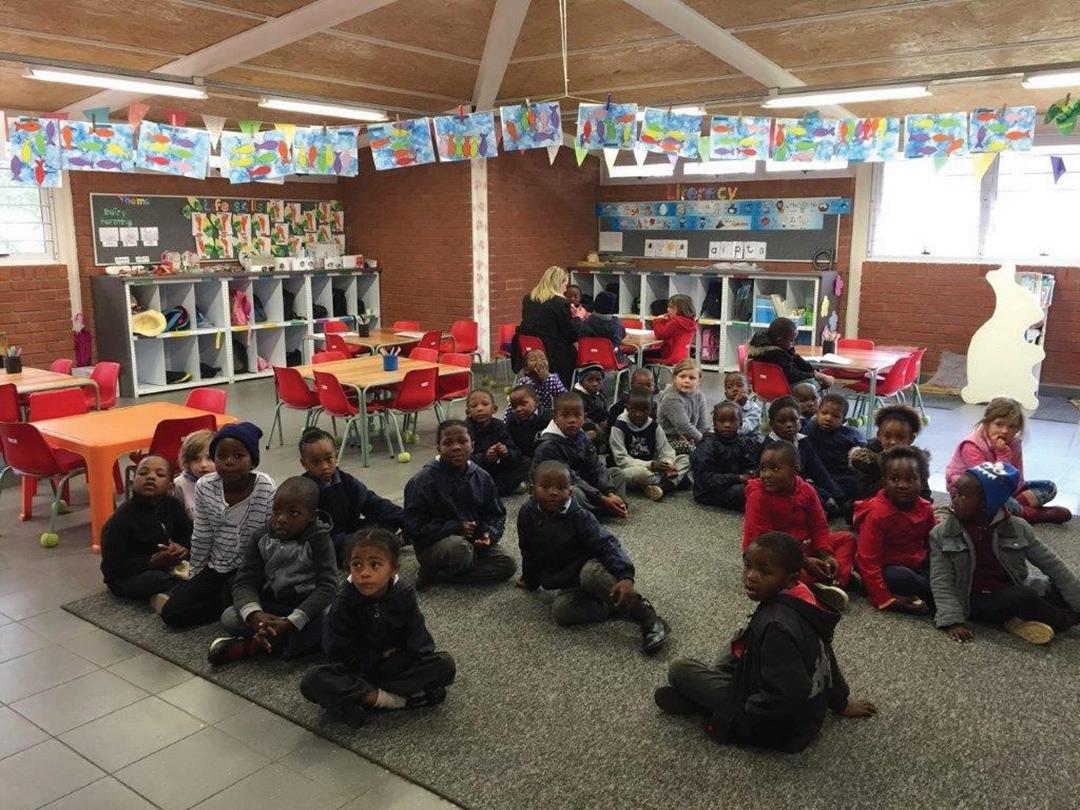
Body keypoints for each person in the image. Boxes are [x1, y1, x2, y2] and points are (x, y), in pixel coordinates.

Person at [654, 531, 876, 752]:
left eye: (764, 571)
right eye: (747, 566)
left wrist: (738, 714)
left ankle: (701, 702)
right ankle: (704, 696)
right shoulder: (803, 598)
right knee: (743, 635)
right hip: (794, 693)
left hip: (779, 726)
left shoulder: (775, 628)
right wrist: (841, 701)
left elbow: (788, 694)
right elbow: (825, 653)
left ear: (791, 578)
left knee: (679, 669)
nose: (751, 576)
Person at [300, 529, 456, 725]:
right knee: (312, 679)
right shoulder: (343, 601)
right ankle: (395, 700)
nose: (364, 573)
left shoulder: (403, 594)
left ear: (393, 569)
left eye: (375, 565)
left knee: (444, 664)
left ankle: (360, 702)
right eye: (357, 565)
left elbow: (420, 643)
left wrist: (399, 659)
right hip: (357, 670)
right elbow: (337, 652)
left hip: (394, 666)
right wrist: (377, 657)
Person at [517, 461, 669, 653]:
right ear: (532, 490)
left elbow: (607, 543)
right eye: (545, 487)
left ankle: (648, 617)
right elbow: (528, 549)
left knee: (591, 574)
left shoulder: (580, 516)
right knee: (561, 612)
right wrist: (530, 580)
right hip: (567, 580)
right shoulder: (527, 514)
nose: (553, 493)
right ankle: (612, 605)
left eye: (561, 488)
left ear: (570, 492)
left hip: (589, 567)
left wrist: (625, 576)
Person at [930, 462, 1080, 645]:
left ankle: (1015, 621)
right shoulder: (943, 533)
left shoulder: (1017, 527)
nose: (954, 498)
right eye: (955, 493)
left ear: (986, 504)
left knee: (1054, 587)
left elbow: (1052, 564)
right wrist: (953, 621)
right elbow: (941, 579)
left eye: (963, 495)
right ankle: (1064, 621)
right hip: (973, 599)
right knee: (1023, 597)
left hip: (1009, 587)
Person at [208, 477, 338, 663]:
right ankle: (281, 642)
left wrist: (292, 621)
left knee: (332, 616)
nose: (281, 519)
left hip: (306, 608)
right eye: (276, 512)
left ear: (312, 516)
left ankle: (256, 645)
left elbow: (328, 587)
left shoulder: (319, 540)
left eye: (293, 513)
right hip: (271, 605)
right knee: (229, 617)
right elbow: (245, 581)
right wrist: (255, 616)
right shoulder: (261, 536)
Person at [159, 423, 276, 628]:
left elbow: (271, 540)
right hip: (217, 566)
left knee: (235, 593)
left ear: (253, 461)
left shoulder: (265, 486)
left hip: (252, 570)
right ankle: (226, 606)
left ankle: (232, 604)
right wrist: (195, 577)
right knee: (172, 613)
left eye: (238, 456)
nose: (229, 462)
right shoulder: (205, 486)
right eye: (221, 456)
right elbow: (202, 535)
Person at [403, 419, 517, 589]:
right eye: (448, 443)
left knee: (507, 564)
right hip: (436, 545)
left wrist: (488, 534)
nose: (456, 447)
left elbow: (496, 514)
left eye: (463, 441)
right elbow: (413, 529)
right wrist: (454, 527)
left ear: (472, 446)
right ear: (438, 448)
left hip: (471, 541)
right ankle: (440, 565)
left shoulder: (482, 477)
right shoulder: (422, 482)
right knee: (460, 550)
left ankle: (440, 576)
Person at [743, 440, 855, 610]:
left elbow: (819, 525)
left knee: (847, 539)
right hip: (769, 554)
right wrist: (804, 561)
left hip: (802, 547)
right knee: (785, 576)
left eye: (775, 469)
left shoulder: (807, 490)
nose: (766, 475)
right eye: (763, 468)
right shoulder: (758, 496)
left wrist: (825, 554)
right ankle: (819, 583)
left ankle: (835, 583)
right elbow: (764, 540)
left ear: (795, 470)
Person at [945, 397, 1070, 524]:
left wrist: (1010, 491)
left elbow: (1017, 475)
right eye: (999, 424)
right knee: (994, 500)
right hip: (973, 493)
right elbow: (989, 482)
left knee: (1049, 487)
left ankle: (1012, 508)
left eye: (1012, 426)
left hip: (1002, 486)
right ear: (987, 423)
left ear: (1018, 429)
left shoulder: (1014, 442)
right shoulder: (971, 445)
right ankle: (1034, 514)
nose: (1005, 431)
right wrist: (1002, 454)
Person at [853, 446, 935, 614]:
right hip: (887, 566)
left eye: (911, 479)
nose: (902, 485)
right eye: (894, 479)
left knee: (942, 563)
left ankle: (930, 591)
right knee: (901, 577)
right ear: (884, 483)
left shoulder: (926, 508)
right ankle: (932, 593)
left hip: (916, 561)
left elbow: (933, 543)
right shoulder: (877, 514)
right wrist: (885, 599)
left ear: (922, 481)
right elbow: (868, 561)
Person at [298, 427, 403, 558]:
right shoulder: (302, 491)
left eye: (329, 459)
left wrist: (405, 518)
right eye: (315, 462)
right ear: (304, 463)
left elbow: (371, 502)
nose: (324, 466)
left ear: (336, 456)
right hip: (327, 542)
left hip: (351, 531)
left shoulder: (346, 480)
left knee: (386, 521)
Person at [100, 455, 191, 601]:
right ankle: (172, 593)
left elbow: (188, 535)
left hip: (167, 565)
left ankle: (173, 592)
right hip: (131, 574)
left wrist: (182, 549)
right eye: (143, 473)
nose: (150, 477)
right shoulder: (121, 519)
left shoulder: (172, 504)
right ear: (132, 483)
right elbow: (111, 569)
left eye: (159, 475)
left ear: (170, 486)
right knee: (156, 579)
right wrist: (152, 561)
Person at [533, 392, 628, 518]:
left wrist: (609, 492)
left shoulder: (582, 436)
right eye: (565, 416)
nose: (572, 420)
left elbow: (595, 467)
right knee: (574, 493)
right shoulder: (548, 445)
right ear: (554, 418)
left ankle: (612, 504)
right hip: (560, 485)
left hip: (583, 480)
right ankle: (599, 510)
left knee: (617, 473)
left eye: (577, 415)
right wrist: (601, 498)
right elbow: (571, 478)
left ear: (584, 417)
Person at [609, 386, 690, 501]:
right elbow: (621, 460)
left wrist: (668, 464)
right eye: (634, 409)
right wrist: (650, 465)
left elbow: (666, 450)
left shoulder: (654, 426)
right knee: (639, 473)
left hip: (654, 468)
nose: (638, 414)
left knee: (685, 459)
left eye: (644, 410)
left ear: (651, 409)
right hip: (630, 469)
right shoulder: (618, 427)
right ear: (627, 407)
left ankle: (659, 487)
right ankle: (670, 483)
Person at [767, 396, 845, 513]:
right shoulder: (769, 446)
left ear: (800, 420)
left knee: (841, 493)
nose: (789, 425)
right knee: (814, 499)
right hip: (780, 487)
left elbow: (817, 469)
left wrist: (836, 493)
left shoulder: (802, 441)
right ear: (772, 424)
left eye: (794, 420)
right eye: (782, 421)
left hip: (804, 483)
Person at [849, 405, 932, 502]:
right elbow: (862, 492)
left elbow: (925, 493)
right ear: (879, 435)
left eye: (901, 437)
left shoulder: (916, 461)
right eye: (887, 437)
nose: (893, 442)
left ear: (911, 438)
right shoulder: (865, 460)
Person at [691, 402, 762, 510]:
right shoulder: (707, 445)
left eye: (732, 421)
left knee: (761, 486)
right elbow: (704, 479)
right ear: (715, 424)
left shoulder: (745, 443)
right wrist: (736, 478)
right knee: (745, 491)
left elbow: (752, 464)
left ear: (740, 423)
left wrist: (751, 473)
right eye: (722, 421)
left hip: (736, 483)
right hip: (709, 491)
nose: (727, 425)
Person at [517, 265, 579, 387]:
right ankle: (566, 389)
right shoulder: (560, 303)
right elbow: (570, 334)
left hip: (529, 350)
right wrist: (577, 319)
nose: (565, 289)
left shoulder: (528, 299)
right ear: (558, 283)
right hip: (553, 353)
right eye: (565, 284)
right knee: (574, 350)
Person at [802, 392, 865, 506]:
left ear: (843, 421)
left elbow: (861, 455)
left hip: (841, 477)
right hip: (818, 477)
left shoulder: (850, 435)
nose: (828, 418)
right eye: (824, 413)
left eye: (836, 416)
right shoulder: (809, 429)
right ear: (817, 412)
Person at [466, 389, 528, 496]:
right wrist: (485, 457)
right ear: (468, 412)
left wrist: (506, 452)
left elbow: (515, 452)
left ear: (494, 409)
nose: (480, 408)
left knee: (526, 462)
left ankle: (493, 489)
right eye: (474, 406)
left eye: (485, 404)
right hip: (477, 471)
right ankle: (498, 489)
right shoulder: (464, 429)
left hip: (497, 471)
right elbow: (463, 460)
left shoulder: (500, 426)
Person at [747, 317, 835, 389]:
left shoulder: (766, 345)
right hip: (781, 386)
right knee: (814, 385)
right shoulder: (775, 354)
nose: (793, 343)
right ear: (780, 340)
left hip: (764, 386)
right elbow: (792, 375)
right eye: (791, 340)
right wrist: (816, 376)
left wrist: (814, 371)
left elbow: (795, 359)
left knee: (817, 379)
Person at [657, 358, 709, 455]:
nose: (687, 381)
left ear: (698, 381)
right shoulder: (671, 398)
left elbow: (703, 426)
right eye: (682, 376)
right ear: (674, 378)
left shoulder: (700, 396)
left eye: (692, 378)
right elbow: (685, 427)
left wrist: (706, 440)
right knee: (703, 452)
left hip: (690, 438)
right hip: (669, 441)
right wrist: (705, 443)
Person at [505, 349, 567, 420]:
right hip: (527, 417)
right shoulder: (524, 382)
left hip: (547, 417)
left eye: (543, 358)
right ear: (526, 370)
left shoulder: (553, 378)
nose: (539, 362)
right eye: (533, 360)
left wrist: (547, 378)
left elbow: (563, 396)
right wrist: (506, 421)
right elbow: (512, 405)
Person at [644, 294, 697, 367]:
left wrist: (658, 320)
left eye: (671, 307)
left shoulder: (676, 321)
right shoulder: (690, 321)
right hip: (681, 356)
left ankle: (645, 374)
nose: (668, 310)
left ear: (680, 309)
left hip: (670, 355)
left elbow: (660, 335)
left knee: (641, 355)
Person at [173, 429, 215, 519]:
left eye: (209, 458)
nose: (203, 464)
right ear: (187, 461)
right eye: (196, 459)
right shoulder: (179, 485)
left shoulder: (227, 480)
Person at [578, 291, 627, 363]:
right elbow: (621, 337)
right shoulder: (617, 324)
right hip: (611, 361)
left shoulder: (585, 323)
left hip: (588, 360)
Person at [504, 383, 549, 462]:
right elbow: (511, 447)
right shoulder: (511, 422)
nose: (518, 409)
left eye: (523, 404)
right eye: (514, 406)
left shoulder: (550, 419)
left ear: (536, 401)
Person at [573, 366, 610, 449]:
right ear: (581, 382)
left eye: (598, 380)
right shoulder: (577, 398)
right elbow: (580, 418)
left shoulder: (600, 394)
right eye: (590, 380)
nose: (595, 384)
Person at [721, 371, 761, 436]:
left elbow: (742, 430)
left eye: (739, 385)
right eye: (729, 387)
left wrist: (735, 407)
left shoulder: (754, 409)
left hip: (748, 440)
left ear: (749, 391)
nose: (735, 389)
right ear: (726, 394)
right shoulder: (722, 407)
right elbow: (715, 426)